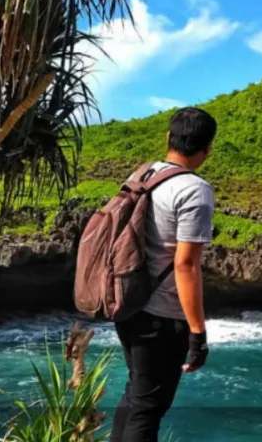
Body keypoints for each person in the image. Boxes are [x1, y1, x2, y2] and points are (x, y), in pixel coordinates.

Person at [111, 107, 217, 442]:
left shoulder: (144, 174)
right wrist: (197, 333)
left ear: (168, 138)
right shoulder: (194, 190)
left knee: (137, 394)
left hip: (128, 301)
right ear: (207, 148)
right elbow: (186, 264)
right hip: (162, 316)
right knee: (149, 407)